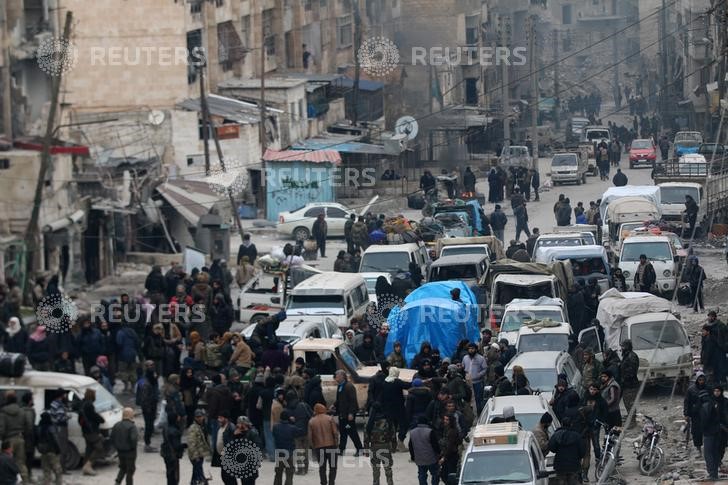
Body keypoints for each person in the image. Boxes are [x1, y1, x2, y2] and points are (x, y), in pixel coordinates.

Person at [364, 402, 396, 485]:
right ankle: (390, 483)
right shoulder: (388, 421)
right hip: (386, 446)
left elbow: (366, 437)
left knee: (375, 469)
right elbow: (393, 435)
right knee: (388, 468)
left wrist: (366, 450)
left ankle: (376, 483)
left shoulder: (369, 423)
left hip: (374, 447)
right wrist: (393, 447)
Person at [701, 385, 728, 480]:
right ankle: (714, 472)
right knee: (714, 452)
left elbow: (706, 420)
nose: (716, 393)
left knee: (711, 452)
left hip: (717, 431)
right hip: (717, 430)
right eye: (715, 391)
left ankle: (713, 473)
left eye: (718, 391)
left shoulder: (721, 402)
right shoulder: (712, 403)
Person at [548, 417, 586, 485]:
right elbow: (582, 451)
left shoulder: (557, 435)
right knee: (573, 481)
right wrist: (578, 457)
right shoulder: (577, 436)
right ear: (571, 424)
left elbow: (551, 447)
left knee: (561, 481)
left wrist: (557, 450)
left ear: (562, 424)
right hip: (574, 465)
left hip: (560, 465)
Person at [333, 370, 362, 455]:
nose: (336, 378)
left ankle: (360, 448)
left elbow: (353, 401)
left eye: (337, 376)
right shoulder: (340, 386)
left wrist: (351, 413)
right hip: (342, 414)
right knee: (343, 432)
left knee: (351, 431)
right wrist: (334, 405)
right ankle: (341, 449)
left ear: (342, 376)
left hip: (348, 414)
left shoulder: (349, 386)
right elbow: (339, 399)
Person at [308, 403, 338, 485]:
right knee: (333, 467)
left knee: (322, 468)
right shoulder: (329, 419)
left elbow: (310, 437)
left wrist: (313, 447)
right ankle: (331, 482)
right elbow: (335, 433)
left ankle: (323, 483)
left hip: (319, 447)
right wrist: (336, 443)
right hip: (331, 446)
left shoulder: (311, 421)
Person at [79, 388, 105, 476]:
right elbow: (94, 416)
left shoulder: (83, 403)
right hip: (91, 430)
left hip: (85, 430)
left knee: (89, 448)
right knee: (99, 447)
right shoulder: (89, 405)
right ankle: (88, 466)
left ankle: (85, 466)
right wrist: (101, 419)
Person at [408, 415, 440, 485]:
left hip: (419, 458)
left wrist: (413, 456)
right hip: (431, 458)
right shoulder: (430, 431)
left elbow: (410, 446)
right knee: (435, 473)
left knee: (422, 475)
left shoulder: (412, 432)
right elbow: (435, 445)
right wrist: (439, 454)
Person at [111, 407, 139, 485]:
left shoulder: (116, 425)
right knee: (130, 470)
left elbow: (112, 437)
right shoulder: (132, 426)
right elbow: (134, 439)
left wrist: (117, 446)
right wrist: (133, 447)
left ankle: (117, 482)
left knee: (123, 467)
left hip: (120, 451)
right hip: (130, 452)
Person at [683, 372, 708, 455]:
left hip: (707, 413)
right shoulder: (691, 389)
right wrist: (686, 414)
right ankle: (698, 448)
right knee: (696, 432)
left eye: (703, 380)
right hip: (695, 414)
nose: (701, 381)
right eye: (700, 380)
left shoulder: (708, 388)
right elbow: (687, 402)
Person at [36, 411, 63, 485]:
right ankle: (58, 482)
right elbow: (55, 439)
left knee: (46, 469)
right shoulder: (51, 427)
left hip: (43, 451)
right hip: (52, 450)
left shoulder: (39, 427)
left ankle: (46, 482)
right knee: (57, 468)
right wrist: (58, 449)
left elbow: (37, 440)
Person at [272, 410, 298, 485]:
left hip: (279, 452)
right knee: (289, 474)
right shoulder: (292, 428)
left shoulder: (275, 427)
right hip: (289, 453)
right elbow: (298, 433)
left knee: (278, 473)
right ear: (288, 418)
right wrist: (293, 422)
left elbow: (274, 435)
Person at [161, 410, 185, 485]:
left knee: (169, 473)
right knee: (174, 475)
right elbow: (176, 445)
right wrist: (184, 446)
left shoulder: (166, 428)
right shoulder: (175, 431)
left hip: (166, 453)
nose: (179, 418)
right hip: (173, 455)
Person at [187, 409, 211, 485]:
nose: (199, 418)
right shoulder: (193, 428)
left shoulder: (202, 426)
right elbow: (192, 444)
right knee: (199, 474)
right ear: (195, 418)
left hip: (200, 454)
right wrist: (195, 456)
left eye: (200, 416)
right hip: (196, 455)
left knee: (196, 472)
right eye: (197, 417)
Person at [462, 342, 487, 414]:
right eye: (469, 349)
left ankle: (479, 413)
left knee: (478, 399)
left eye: (472, 349)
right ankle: (471, 414)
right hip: (467, 382)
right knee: (468, 399)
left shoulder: (480, 358)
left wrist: (478, 375)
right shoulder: (465, 358)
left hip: (477, 382)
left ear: (475, 349)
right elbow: (463, 367)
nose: (471, 350)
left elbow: (485, 369)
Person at [619, 339, 640, 425]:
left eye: (623, 346)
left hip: (631, 385)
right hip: (627, 384)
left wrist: (624, 377)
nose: (621, 349)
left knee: (630, 403)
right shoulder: (627, 355)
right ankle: (630, 418)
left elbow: (632, 371)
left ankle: (632, 421)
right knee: (627, 402)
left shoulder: (632, 356)